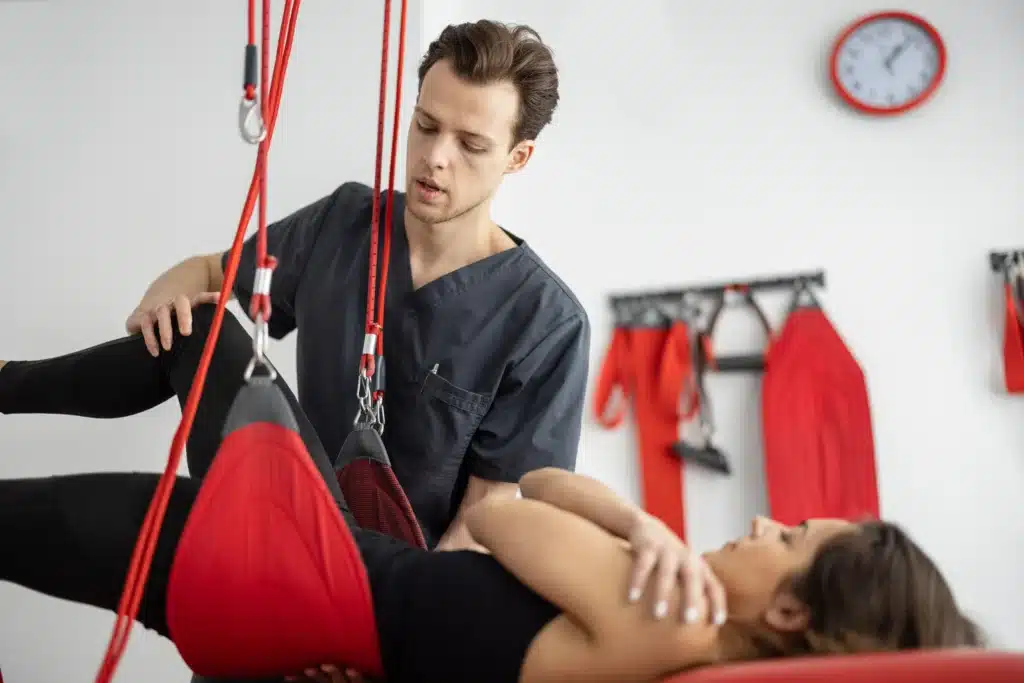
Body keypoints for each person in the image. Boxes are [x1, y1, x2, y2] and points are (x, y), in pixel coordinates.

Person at [0, 307, 984, 683]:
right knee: (206, 333)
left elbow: (501, 513)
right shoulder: (665, 611)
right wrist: (639, 518)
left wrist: (629, 535)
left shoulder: (673, 626)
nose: (767, 519)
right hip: (328, 555)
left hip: (291, 572)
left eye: (793, 535)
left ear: (786, 607)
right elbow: (541, 479)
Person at [122, 19, 591, 555]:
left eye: (470, 144)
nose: (436, 156)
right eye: (426, 124)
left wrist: (394, 617)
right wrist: (161, 300)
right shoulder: (344, 223)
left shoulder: (545, 324)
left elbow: (481, 526)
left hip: (407, 591)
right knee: (199, 332)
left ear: (517, 157)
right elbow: (211, 271)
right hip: (285, 535)